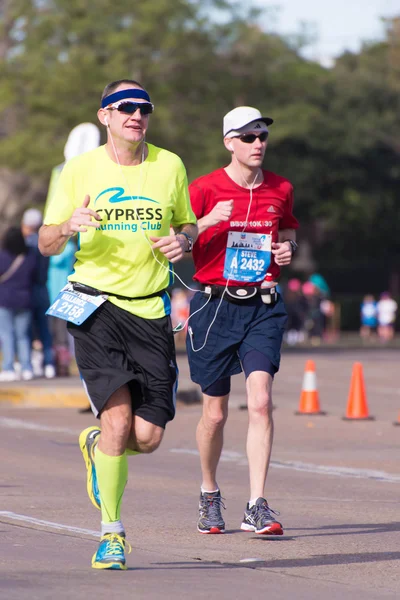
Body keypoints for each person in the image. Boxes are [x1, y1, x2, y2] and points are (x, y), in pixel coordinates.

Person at [38, 79, 197, 570]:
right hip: (95, 306)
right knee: (118, 420)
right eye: (125, 107)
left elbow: (187, 223)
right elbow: (45, 241)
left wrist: (183, 241)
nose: (136, 115)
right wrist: (68, 226)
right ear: (105, 115)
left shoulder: (169, 165)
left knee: (146, 437)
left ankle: (98, 448)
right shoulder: (77, 170)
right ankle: (112, 533)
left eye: (144, 108)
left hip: (150, 310)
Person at [186, 106, 298, 535]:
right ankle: (210, 494)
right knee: (214, 414)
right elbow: (175, 238)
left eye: (262, 136)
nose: (258, 144)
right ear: (229, 142)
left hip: (264, 305)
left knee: (261, 401)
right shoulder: (203, 188)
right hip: (215, 307)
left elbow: (286, 233)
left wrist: (287, 252)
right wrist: (203, 223)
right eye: (248, 137)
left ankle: (257, 504)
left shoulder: (281, 188)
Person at [21, 208, 56, 379]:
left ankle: (28, 365)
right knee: (45, 329)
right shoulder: (45, 243)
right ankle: (49, 364)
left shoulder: (25, 245)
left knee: (26, 330)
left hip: (27, 290)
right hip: (43, 289)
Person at [0, 227, 37, 381]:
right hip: (25, 299)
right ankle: (26, 367)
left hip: (5, 299)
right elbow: (35, 276)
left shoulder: (2, 255)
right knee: (23, 336)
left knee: (7, 335)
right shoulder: (29, 255)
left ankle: (8, 367)